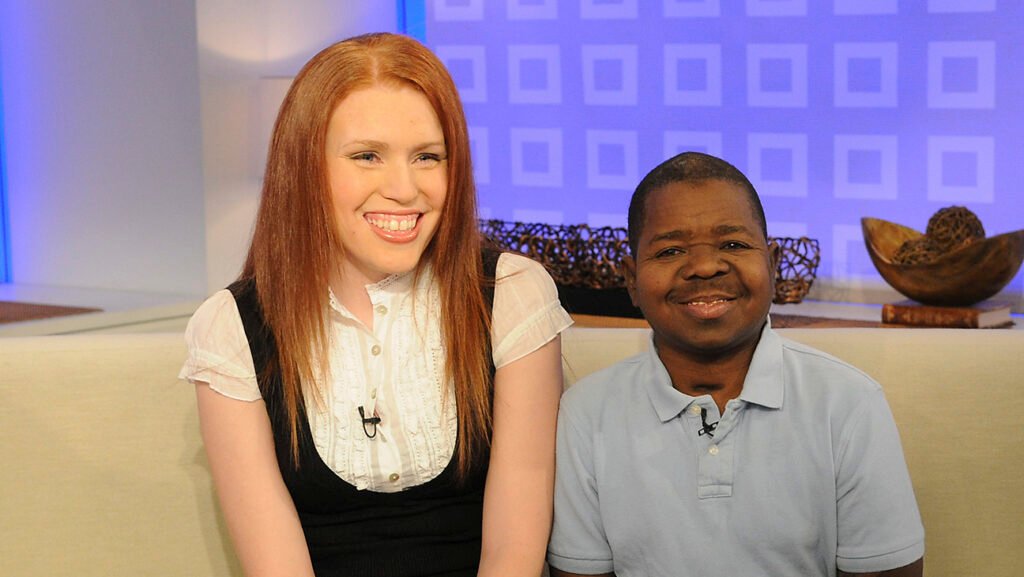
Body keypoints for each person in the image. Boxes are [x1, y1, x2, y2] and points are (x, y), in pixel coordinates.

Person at [180, 32, 572, 577]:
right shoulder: (231, 328)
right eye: (367, 156)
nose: (405, 189)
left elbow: (514, 551)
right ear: (304, 168)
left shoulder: (511, 293)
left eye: (427, 157)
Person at [547, 152, 924, 577]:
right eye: (670, 250)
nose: (705, 266)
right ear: (631, 280)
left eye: (733, 244)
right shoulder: (586, 414)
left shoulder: (848, 404)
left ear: (773, 264)